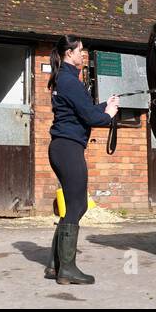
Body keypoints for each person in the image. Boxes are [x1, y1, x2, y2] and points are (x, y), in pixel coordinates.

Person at [45, 35, 119, 284]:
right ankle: (66, 269)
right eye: (80, 51)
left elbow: (82, 110)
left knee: (76, 206)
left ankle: (56, 265)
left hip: (64, 148)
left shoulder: (64, 80)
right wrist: (107, 115)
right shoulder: (69, 81)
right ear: (69, 53)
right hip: (68, 148)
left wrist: (104, 106)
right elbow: (89, 117)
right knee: (77, 206)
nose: (83, 54)